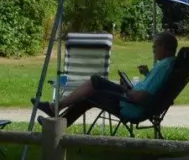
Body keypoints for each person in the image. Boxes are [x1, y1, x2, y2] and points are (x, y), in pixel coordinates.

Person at [39, 31, 178, 127]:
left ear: (164, 47)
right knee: (89, 95)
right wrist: (143, 77)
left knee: (95, 82)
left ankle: (55, 108)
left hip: (131, 105)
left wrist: (127, 89)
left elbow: (140, 97)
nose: (153, 50)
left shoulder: (164, 67)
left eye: (155, 46)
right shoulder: (169, 65)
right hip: (134, 102)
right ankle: (57, 120)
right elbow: (153, 87)